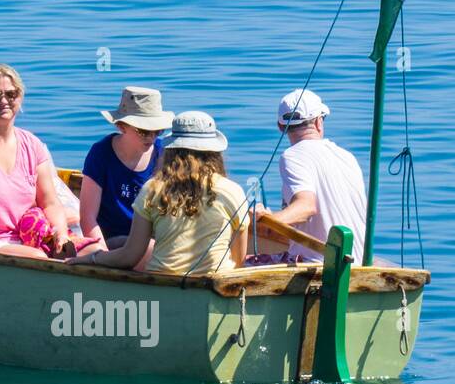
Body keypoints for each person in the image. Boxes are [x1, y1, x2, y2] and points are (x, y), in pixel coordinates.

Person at [0, 64, 97, 260]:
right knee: (36, 257)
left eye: (11, 94)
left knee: (94, 253)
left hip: (26, 236)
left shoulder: (32, 145)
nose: (4, 101)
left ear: (20, 97)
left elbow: (50, 202)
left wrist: (61, 234)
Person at [70, 111, 249, 276]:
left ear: (171, 150)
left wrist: (89, 259)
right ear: (215, 152)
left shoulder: (152, 189)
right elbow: (238, 262)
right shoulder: (233, 191)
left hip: (162, 281)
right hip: (215, 282)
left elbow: (130, 256)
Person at [259, 88, 367, 264]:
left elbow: (306, 207)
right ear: (318, 122)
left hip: (319, 265)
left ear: (280, 127)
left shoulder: (292, 155)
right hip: (358, 262)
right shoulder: (348, 157)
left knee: (239, 261)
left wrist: (263, 221)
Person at [80, 86, 171, 247]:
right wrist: (102, 255)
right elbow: (88, 218)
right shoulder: (101, 153)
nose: (151, 137)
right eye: (143, 131)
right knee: (149, 248)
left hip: (152, 239)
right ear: (121, 126)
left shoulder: (162, 153)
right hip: (113, 241)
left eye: (157, 131)